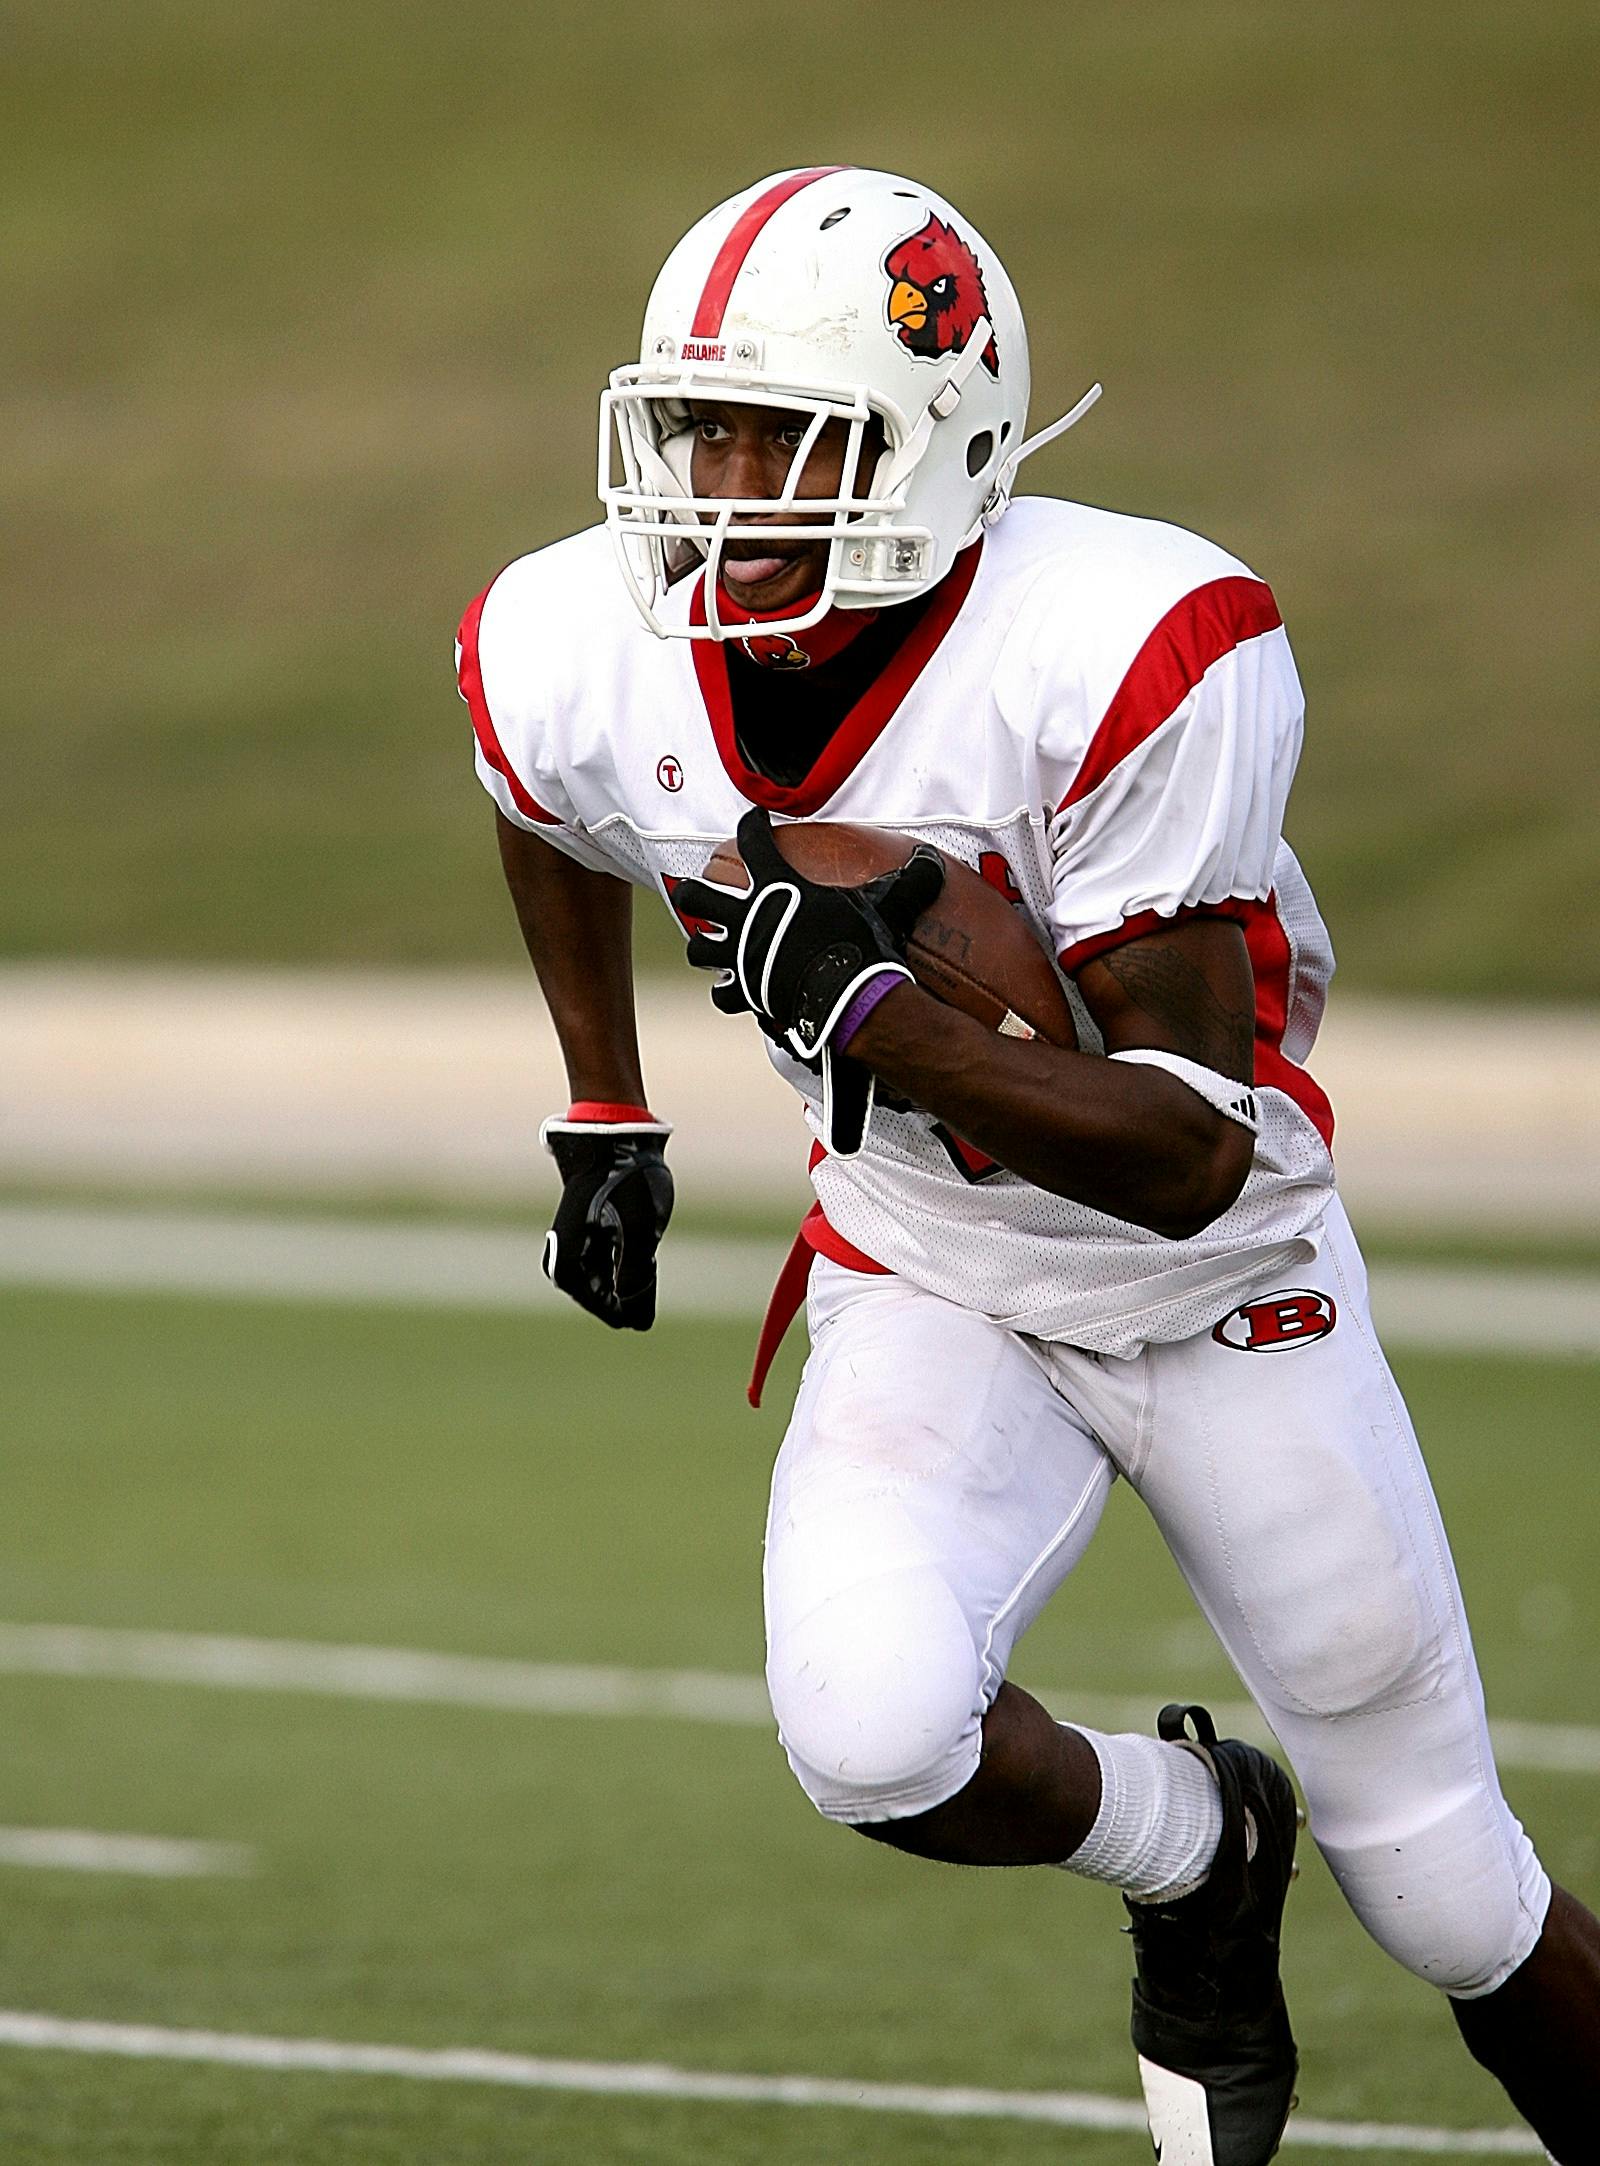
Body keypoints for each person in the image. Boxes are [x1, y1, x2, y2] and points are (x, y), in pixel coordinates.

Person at [458, 166, 1599, 2162]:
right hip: (929, 1273)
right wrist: (603, 1107)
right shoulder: (578, 635)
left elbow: (1173, 1155)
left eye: (784, 437)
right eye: (697, 430)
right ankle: (1194, 1847)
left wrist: (875, 1014)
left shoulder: (1132, 640)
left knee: (1441, 1894)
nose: (723, 493)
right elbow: (544, 802)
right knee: (871, 1735)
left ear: (935, 432)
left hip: (1222, 1281)